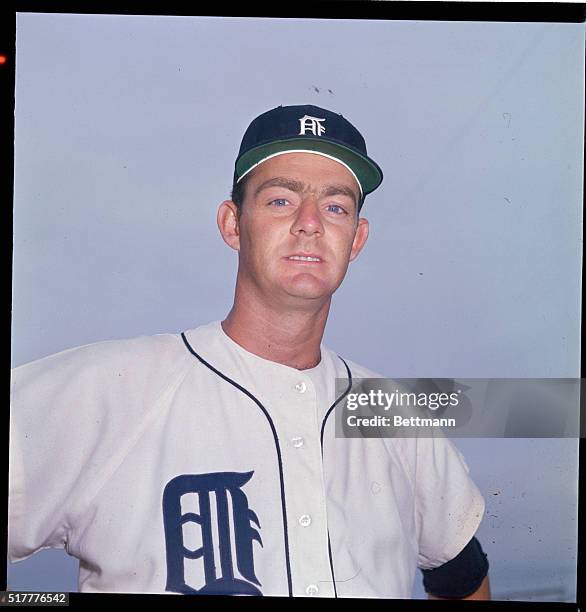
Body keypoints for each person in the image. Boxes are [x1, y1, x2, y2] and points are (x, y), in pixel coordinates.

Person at [9, 104, 490, 598]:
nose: (310, 223)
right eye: (281, 200)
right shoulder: (109, 388)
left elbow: (463, 574)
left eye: (336, 206)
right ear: (233, 224)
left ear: (357, 239)